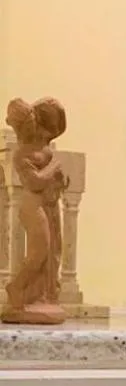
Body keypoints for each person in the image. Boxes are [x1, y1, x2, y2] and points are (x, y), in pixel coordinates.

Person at [3, 99, 68, 324]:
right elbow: (35, 183)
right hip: (32, 207)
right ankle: (16, 288)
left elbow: (50, 179)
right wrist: (54, 167)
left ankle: (38, 295)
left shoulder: (40, 148)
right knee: (39, 253)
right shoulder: (21, 154)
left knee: (50, 252)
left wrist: (60, 179)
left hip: (47, 206)